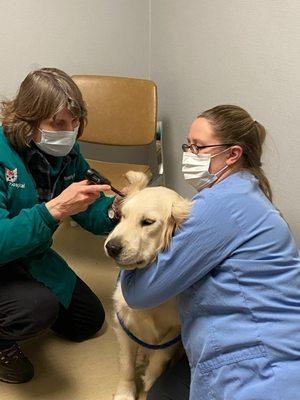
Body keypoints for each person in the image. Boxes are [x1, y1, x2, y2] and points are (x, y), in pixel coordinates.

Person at [120, 105, 300, 400]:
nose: (189, 155)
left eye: (199, 147)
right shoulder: (245, 193)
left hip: (260, 361)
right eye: (187, 146)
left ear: (233, 155)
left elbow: (139, 295)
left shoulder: (221, 205)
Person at [0, 67, 122, 383]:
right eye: (57, 124)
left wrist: (117, 211)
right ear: (28, 121)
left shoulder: (67, 154)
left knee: (88, 322)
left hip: (30, 254)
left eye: (74, 122)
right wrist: (53, 209)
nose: (68, 132)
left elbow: (89, 208)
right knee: (38, 308)